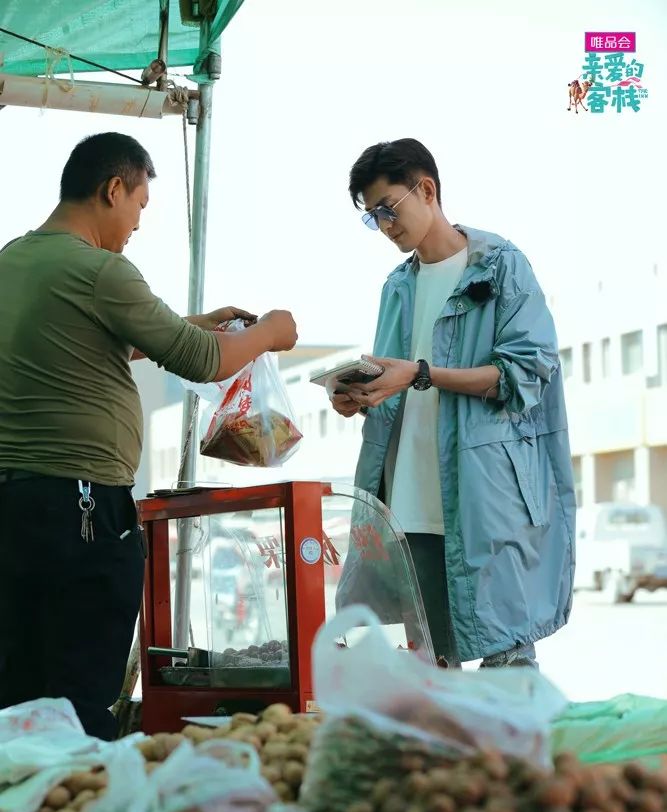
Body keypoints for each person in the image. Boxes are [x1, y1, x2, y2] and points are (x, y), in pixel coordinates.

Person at [0, 132, 298, 738]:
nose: (136, 224)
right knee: (77, 697)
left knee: (18, 693)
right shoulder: (99, 268)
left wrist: (193, 322)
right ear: (113, 189)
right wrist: (270, 330)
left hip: (15, 506)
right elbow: (200, 360)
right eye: (138, 205)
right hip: (78, 511)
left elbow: (112, 336)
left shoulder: (14, 260)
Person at [332, 138, 575, 669]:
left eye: (387, 209)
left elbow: (525, 373)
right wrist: (363, 395)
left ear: (427, 189)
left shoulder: (501, 267)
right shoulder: (397, 286)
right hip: (409, 501)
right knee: (433, 675)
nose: (385, 226)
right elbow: (395, 384)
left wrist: (420, 374)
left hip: (485, 500)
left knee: (507, 663)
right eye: (373, 217)